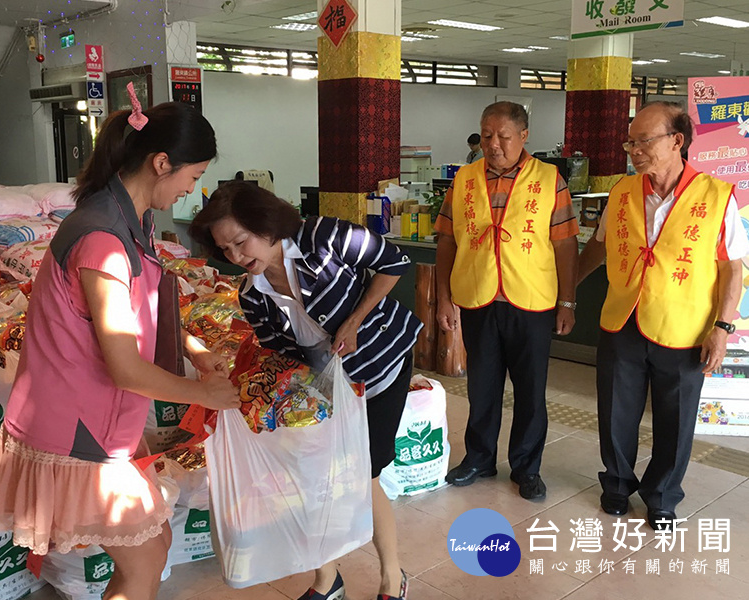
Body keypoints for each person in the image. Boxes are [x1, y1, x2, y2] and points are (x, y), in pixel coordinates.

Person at [0, 97, 240, 600]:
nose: (193, 189)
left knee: (156, 544)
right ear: (161, 163)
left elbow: (137, 308)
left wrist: (190, 347)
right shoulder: (103, 238)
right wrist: (204, 394)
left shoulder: (130, 219)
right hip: (76, 425)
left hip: (100, 416)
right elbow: (125, 366)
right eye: (193, 176)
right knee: (144, 564)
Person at [189, 182, 421, 600]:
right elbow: (282, 355)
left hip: (379, 365)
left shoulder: (322, 238)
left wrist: (354, 320)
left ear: (267, 225)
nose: (237, 257)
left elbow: (396, 262)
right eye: (226, 251)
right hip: (327, 386)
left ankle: (392, 577)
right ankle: (327, 580)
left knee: (365, 474)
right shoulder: (252, 295)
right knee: (316, 478)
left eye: (241, 242)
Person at [577, 101, 749, 530]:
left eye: (644, 141)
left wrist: (723, 328)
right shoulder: (621, 191)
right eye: (630, 142)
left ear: (677, 141)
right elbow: (598, 246)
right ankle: (617, 485)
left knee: (675, 420)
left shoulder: (717, 195)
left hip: (685, 329)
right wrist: (566, 291)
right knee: (615, 411)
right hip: (623, 321)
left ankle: (663, 496)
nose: (634, 150)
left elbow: (733, 267)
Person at [435, 101, 579, 501]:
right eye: (486, 135)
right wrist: (444, 299)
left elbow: (565, 245)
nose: (493, 144)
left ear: (524, 136)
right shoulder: (463, 178)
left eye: (503, 136)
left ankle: (526, 468)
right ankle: (479, 458)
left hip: (531, 302)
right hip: (478, 299)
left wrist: (568, 302)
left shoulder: (550, 179)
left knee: (531, 391)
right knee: (482, 386)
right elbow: (447, 240)